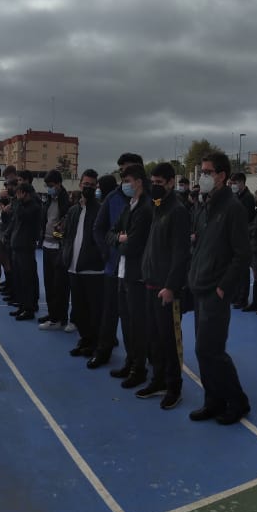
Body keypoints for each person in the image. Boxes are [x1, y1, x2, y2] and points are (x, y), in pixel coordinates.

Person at [188, 153, 253, 425]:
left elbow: (242, 254)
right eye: (201, 172)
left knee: (211, 350)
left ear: (222, 176)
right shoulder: (205, 205)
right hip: (200, 286)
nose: (202, 177)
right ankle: (213, 400)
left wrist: (223, 288)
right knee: (202, 351)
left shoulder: (232, 208)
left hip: (215, 291)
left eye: (207, 172)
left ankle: (238, 402)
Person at [139, 162, 190, 409]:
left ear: (171, 182)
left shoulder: (177, 211)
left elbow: (181, 253)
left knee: (169, 340)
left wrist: (171, 286)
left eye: (159, 183)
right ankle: (157, 380)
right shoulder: (157, 206)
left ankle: (173, 387)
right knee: (154, 339)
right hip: (151, 283)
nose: (155, 186)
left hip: (166, 288)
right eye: (153, 182)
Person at [88, 153, 143, 370]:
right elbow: (99, 228)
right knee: (109, 314)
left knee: (137, 320)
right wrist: (107, 252)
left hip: (139, 271)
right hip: (114, 268)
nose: (124, 174)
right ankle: (104, 351)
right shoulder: (113, 198)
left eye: (128, 169)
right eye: (121, 170)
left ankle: (138, 360)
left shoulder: (150, 199)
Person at [109, 164, 152, 388]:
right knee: (126, 322)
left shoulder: (145, 208)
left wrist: (122, 240)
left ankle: (139, 368)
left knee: (137, 324)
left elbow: (134, 245)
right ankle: (130, 361)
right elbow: (111, 232)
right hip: (123, 272)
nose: (124, 184)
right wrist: (120, 238)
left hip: (136, 274)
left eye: (127, 181)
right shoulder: (129, 206)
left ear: (139, 182)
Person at [64, 171, 106, 357]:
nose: (88, 187)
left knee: (94, 311)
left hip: (93, 270)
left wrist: (99, 255)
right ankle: (85, 339)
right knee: (79, 310)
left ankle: (95, 344)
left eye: (92, 185)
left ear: (96, 187)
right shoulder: (74, 210)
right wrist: (65, 255)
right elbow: (67, 235)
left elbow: (105, 237)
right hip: (74, 268)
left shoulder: (101, 210)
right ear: (80, 184)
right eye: (85, 184)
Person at [39, 170, 71, 330]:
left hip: (58, 247)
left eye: (51, 185)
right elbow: (46, 220)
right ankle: (53, 314)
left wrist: (56, 235)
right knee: (49, 284)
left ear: (58, 184)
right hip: (46, 245)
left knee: (60, 286)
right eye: (47, 186)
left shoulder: (66, 201)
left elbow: (65, 228)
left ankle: (60, 318)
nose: (49, 188)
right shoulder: (49, 200)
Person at [8, 182, 43, 322]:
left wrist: (17, 203)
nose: (16, 196)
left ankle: (29, 309)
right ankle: (22, 306)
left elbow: (22, 216)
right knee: (19, 279)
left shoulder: (34, 207)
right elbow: (15, 221)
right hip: (18, 246)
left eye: (18, 193)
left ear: (24, 193)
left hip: (26, 247)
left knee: (27, 279)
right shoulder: (22, 206)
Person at [231, 171, 257, 310]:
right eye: (232, 183)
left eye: (235, 183)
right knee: (235, 269)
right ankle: (235, 295)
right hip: (234, 236)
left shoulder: (248, 198)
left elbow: (246, 218)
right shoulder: (235, 196)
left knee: (243, 270)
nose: (233, 185)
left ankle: (243, 298)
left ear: (242, 182)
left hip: (243, 236)